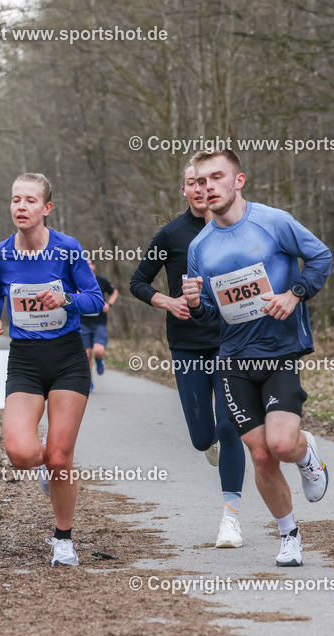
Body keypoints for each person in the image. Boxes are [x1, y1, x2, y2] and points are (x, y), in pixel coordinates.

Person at [182, 149, 332, 567]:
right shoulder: (200, 246)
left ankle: (306, 455)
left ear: (238, 180)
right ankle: (290, 536)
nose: (208, 187)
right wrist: (196, 306)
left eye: (217, 177)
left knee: (282, 444)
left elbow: (321, 258)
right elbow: (212, 314)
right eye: (201, 181)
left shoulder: (274, 221)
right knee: (260, 454)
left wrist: (294, 294)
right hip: (233, 358)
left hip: (280, 351)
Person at [0, 173, 103, 567]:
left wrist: (66, 298)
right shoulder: (0, 253)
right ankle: (47, 469)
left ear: (46, 208)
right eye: (16, 199)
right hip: (24, 360)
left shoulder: (67, 248)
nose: (21, 206)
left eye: (30, 200)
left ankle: (63, 539)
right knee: (20, 454)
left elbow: (95, 300)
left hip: (68, 358)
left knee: (60, 456)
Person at [130, 164, 247, 548]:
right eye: (194, 183)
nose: (202, 189)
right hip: (187, 344)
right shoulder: (172, 234)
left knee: (230, 428)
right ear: (184, 190)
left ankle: (231, 519)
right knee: (203, 438)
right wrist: (166, 301)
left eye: (208, 182)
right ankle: (209, 445)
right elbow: (138, 281)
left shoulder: (237, 226)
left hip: (231, 342)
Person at [80, 259, 118, 390]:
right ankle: (89, 381)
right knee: (86, 354)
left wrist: (109, 304)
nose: (87, 266)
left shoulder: (101, 281)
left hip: (99, 322)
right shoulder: (77, 280)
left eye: (89, 263)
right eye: (84, 264)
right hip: (83, 323)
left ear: (94, 266)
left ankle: (99, 360)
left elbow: (114, 292)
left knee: (99, 351)